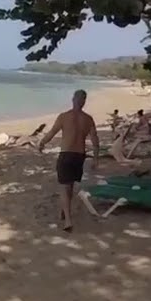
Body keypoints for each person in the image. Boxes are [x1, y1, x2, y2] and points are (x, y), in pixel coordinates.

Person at [37, 90, 99, 232]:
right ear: (84, 101)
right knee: (69, 185)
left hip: (66, 154)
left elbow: (52, 132)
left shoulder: (64, 116)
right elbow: (95, 139)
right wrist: (96, 158)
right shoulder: (88, 119)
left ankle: (68, 220)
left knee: (64, 187)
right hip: (79, 155)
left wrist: (42, 143)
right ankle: (64, 211)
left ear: (73, 99)